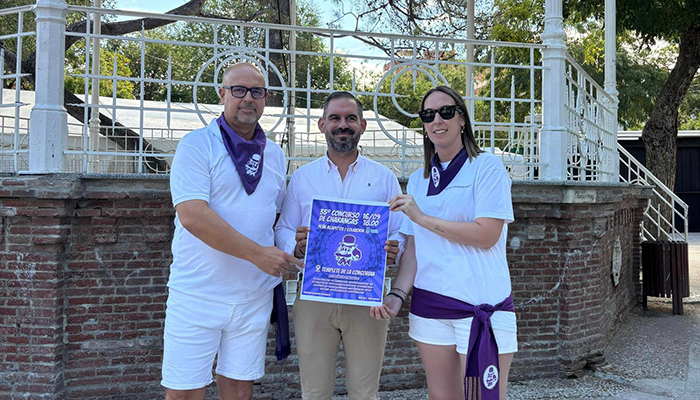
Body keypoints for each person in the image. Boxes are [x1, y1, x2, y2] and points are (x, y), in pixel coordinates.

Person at [162, 62, 302, 400]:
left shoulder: (275, 154)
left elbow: (273, 219)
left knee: (239, 391)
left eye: (257, 91)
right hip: (198, 294)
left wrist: (294, 248)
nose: (248, 98)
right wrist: (258, 255)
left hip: (253, 295)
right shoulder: (197, 145)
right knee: (184, 393)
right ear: (222, 94)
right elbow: (193, 215)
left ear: (266, 97)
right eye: (238, 90)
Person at [371, 86, 517, 400]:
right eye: (428, 115)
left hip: (480, 306)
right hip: (430, 306)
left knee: (482, 398)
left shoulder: (487, 167)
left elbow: (487, 235)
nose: (437, 120)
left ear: (462, 119)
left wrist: (423, 218)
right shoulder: (418, 179)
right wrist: (397, 295)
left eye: (446, 112)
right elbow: (414, 249)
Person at [275, 91, 405, 400]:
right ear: (322, 124)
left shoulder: (384, 177)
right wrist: (297, 247)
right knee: (314, 392)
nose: (342, 124)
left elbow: (400, 232)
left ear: (362, 125)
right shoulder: (303, 177)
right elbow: (283, 229)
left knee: (364, 392)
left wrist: (394, 248)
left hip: (366, 297)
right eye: (335, 118)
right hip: (315, 295)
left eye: (350, 118)